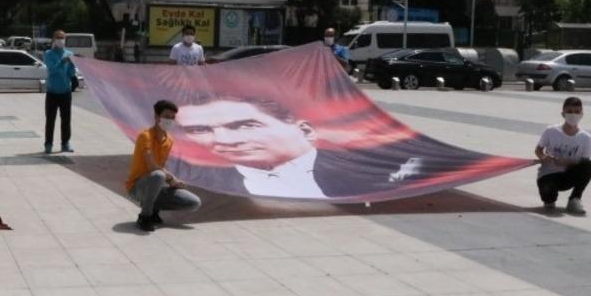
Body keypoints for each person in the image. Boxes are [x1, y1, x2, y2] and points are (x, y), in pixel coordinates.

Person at [174, 95, 438, 199]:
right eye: (200, 130)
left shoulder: (375, 167)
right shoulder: (205, 183)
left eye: (244, 125)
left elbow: (428, 163)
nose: (222, 141)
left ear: (304, 130)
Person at [126, 100, 202, 231]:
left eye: (173, 118)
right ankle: (145, 217)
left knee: (194, 203)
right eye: (167, 116)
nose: (170, 120)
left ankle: (154, 209)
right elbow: (152, 166)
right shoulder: (145, 136)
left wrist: (175, 182)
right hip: (138, 187)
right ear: (156, 117)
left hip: (157, 184)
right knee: (158, 175)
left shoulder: (169, 140)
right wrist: (171, 179)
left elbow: (162, 166)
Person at [535, 97, 591, 214]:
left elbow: (584, 162)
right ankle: (549, 199)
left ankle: (575, 198)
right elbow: (538, 150)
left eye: (577, 112)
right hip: (549, 174)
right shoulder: (551, 131)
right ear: (563, 113)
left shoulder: (585, 137)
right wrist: (543, 157)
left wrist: (567, 162)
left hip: (568, 175)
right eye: (570, 111)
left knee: (589, 165)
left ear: (582, 114)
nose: (573, 115)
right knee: (549, 199)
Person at [43, 29, 77, 154]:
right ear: (54, 39)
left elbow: (70, 73)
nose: (60, 40)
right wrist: (62, 62)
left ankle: (65, 143)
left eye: (62, 38)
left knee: (66, 120)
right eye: (58, 37)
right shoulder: (49, 54)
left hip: (66, 92)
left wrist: (72, 66)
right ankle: (48, 144)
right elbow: (52, 70)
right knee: (50, 120)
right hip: (52, 92)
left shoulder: (68, 53)